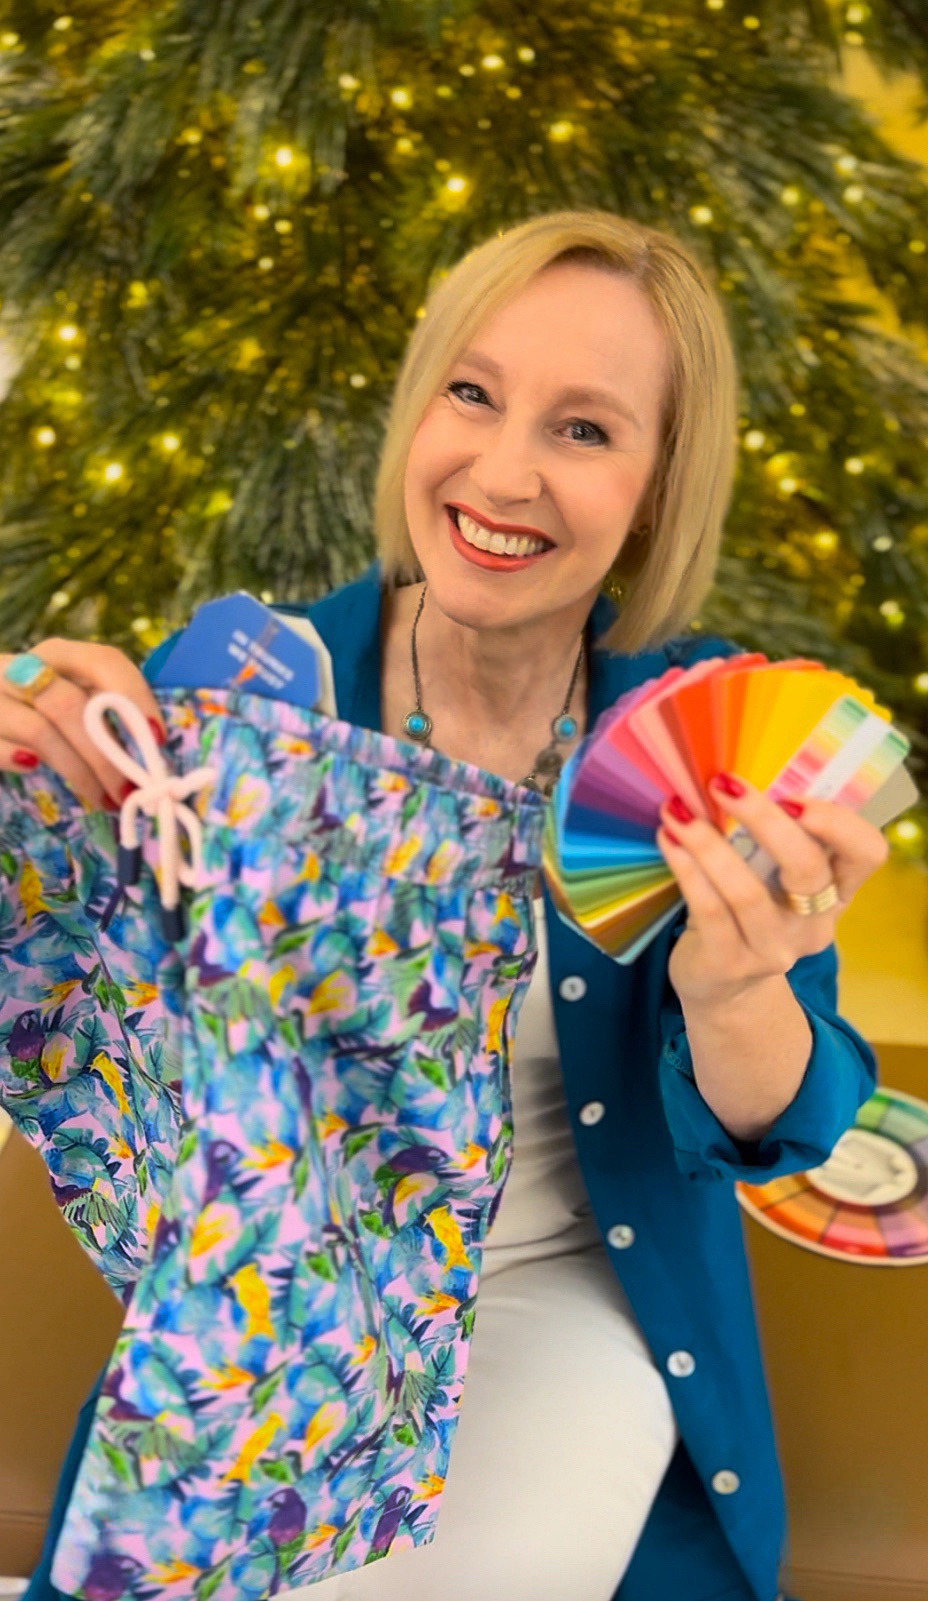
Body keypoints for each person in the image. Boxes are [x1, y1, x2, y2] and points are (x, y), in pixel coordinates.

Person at [0, 209, 890, 1601]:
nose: (504, 468)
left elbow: (795, 1125)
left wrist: (736, 988)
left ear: (657, 486)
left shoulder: (705, 733)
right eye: (472, 394)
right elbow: (133, 1085)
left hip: (578, 1300)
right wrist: (74, 836)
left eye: (586, 429)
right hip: (293, 1323)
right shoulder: (251, 691)